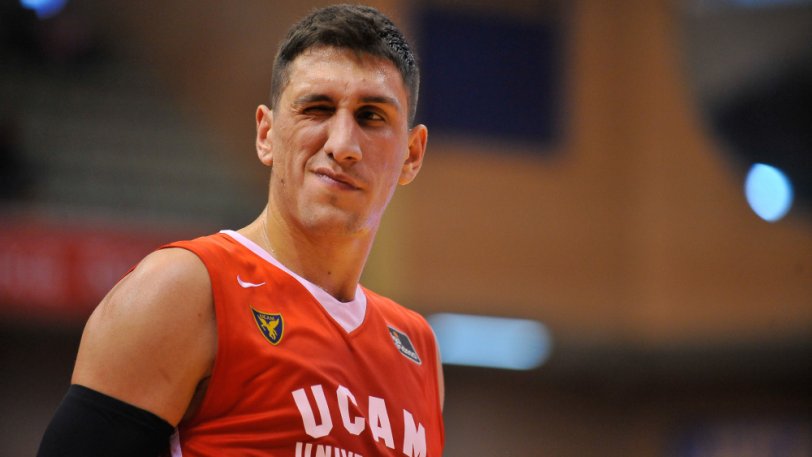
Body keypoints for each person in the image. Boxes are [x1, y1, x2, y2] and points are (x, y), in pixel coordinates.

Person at [37, 4, 444, 456]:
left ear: (412, 155)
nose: (343, 144)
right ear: (266, 134)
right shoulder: (182, 290)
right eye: (317, 109)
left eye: (371, 116)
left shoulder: (417, 346)